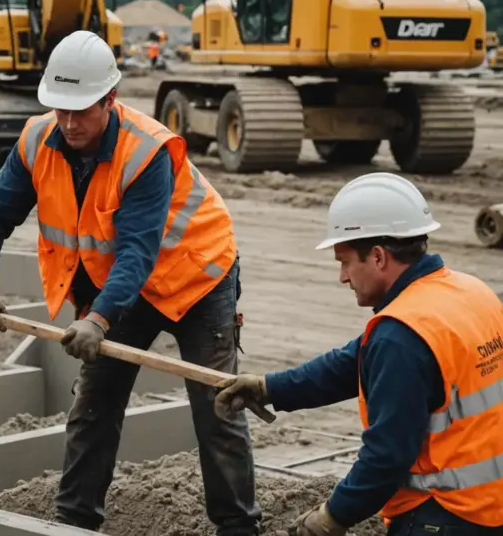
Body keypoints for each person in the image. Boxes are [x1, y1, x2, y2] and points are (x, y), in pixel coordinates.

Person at [0, 30, 261, 535]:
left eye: (82, 110)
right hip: (122, 286)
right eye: (61, 109)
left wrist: (98, 318)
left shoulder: (147, 151)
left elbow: (138, 251)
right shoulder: (37, 140)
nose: (70, 123)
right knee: (93, 403)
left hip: (196, 276)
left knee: (218, 410)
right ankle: (73, 524)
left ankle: (237, 528)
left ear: (110, 99)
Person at [214, 172, 503, 536]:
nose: (343, 277)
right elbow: (355, 360)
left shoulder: (402, 335)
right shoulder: (468, 293)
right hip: (490, 503)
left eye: (345, 262)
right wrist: (271, 387)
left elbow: (386, 457)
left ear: (379, 257)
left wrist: (334, 516)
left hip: (441, 513)